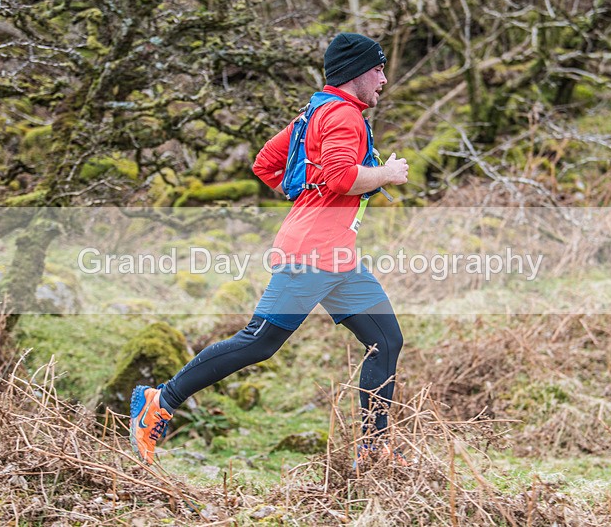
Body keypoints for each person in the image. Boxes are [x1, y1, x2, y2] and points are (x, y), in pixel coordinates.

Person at [130, 32, 409, 465]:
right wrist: (386, 174)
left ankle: (374, 451)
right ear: (356, 71)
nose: (384, 79)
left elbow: (266, 163)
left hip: (337, 256)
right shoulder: (343, 117)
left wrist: (310, 200)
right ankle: (159, 400)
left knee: (386, 340)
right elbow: (341, 178)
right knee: (259, 342)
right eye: (378, 69)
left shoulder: (313, 112)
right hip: (313, 254)